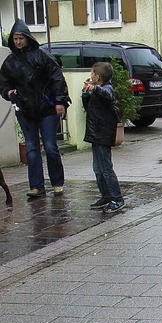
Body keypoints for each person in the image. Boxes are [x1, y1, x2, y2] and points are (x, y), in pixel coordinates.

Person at [0, 19, 70, 198]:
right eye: (15, 39)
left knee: (50, 146)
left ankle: (57, 182)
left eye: (20, 38)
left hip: (47, 108)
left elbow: (57, 78)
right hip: (25, 110)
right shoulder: (9, 62)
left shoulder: (42, 55)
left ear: (27, 38)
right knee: (31, 148)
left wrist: (60, 101)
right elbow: (3, 83)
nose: (18, 42)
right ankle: (37, 186)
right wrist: (9, 93)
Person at [81, 62, 125, 214]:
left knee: (106, 168)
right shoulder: (97, 91)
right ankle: (106, 196)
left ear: (97, 77)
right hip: (95, 134)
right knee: (97, 169)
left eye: (92, 73)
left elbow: (108, 95)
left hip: (102, 134)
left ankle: (117, 198)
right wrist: (86, 93)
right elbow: (88, 108)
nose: (90, 75)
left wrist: (95, 88)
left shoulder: (106, 89)